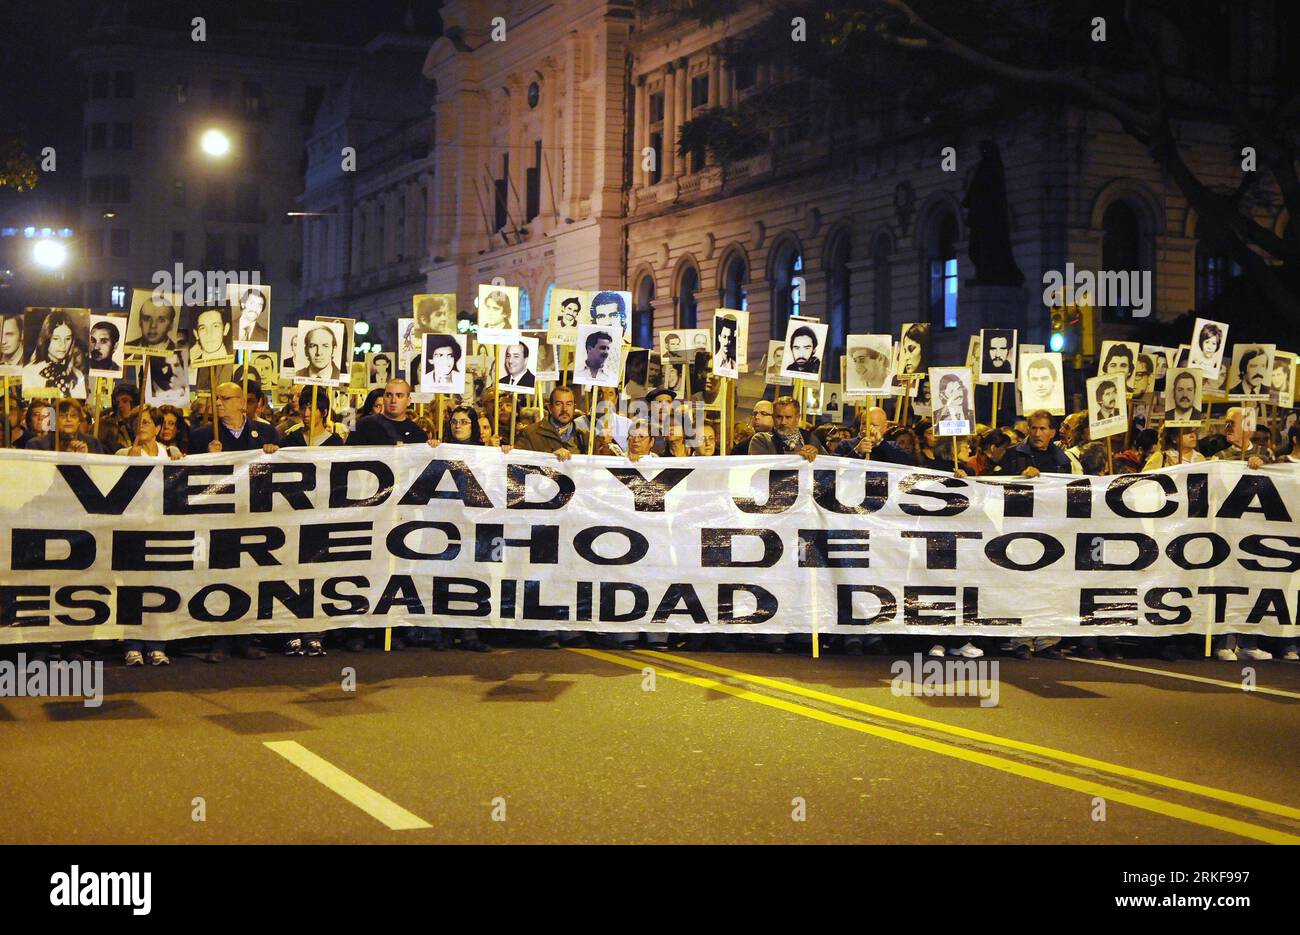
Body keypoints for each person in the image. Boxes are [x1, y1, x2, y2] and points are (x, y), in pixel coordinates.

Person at [348, 378, 435, 446]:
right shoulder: (364, 425)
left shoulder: (418, 434)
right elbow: (347, 460)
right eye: (389, 395)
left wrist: (433, 446)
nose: (393, 400)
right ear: (384, 398)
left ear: (408, 401)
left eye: (399, 395)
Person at [22, 310, 87, 398]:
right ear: (46, 339)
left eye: (67, 339)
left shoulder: (78, 376)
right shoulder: (29, 372)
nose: (62, 345)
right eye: (56, 338)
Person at [516, 385, 588, 462]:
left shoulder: (586, 438)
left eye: (569, 404)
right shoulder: (530, 433)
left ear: (574, 407)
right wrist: (549, 457)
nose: (564, 409)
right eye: (559, 404)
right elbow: (516, 463)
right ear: (550, 408)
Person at [747, 395, 824, 461]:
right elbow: (761, 468)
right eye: (779, 417)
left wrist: (817, 455)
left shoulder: (811, 439)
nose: (783, 422)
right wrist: (797, 458)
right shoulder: (761, 440)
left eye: (788, 417)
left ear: (797, 418)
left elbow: (829, 466)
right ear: (773, 417)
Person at [998, 410, 1071, 477]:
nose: (1037, 434)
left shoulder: (1062, 460)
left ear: (1052, 433)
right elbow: (1000, 480)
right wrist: (1021, 475)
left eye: (1042, 429)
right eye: (1034, 428)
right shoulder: (1011, 454)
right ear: (1028, 430)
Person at [27, 398, 103, 453]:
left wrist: (86, 460)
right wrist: (65, 458)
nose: (68, 419)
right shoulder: (36, 444)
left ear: (79, 420)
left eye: (73, 415)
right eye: (63, 416)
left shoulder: (93, 443)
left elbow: (99, 472)